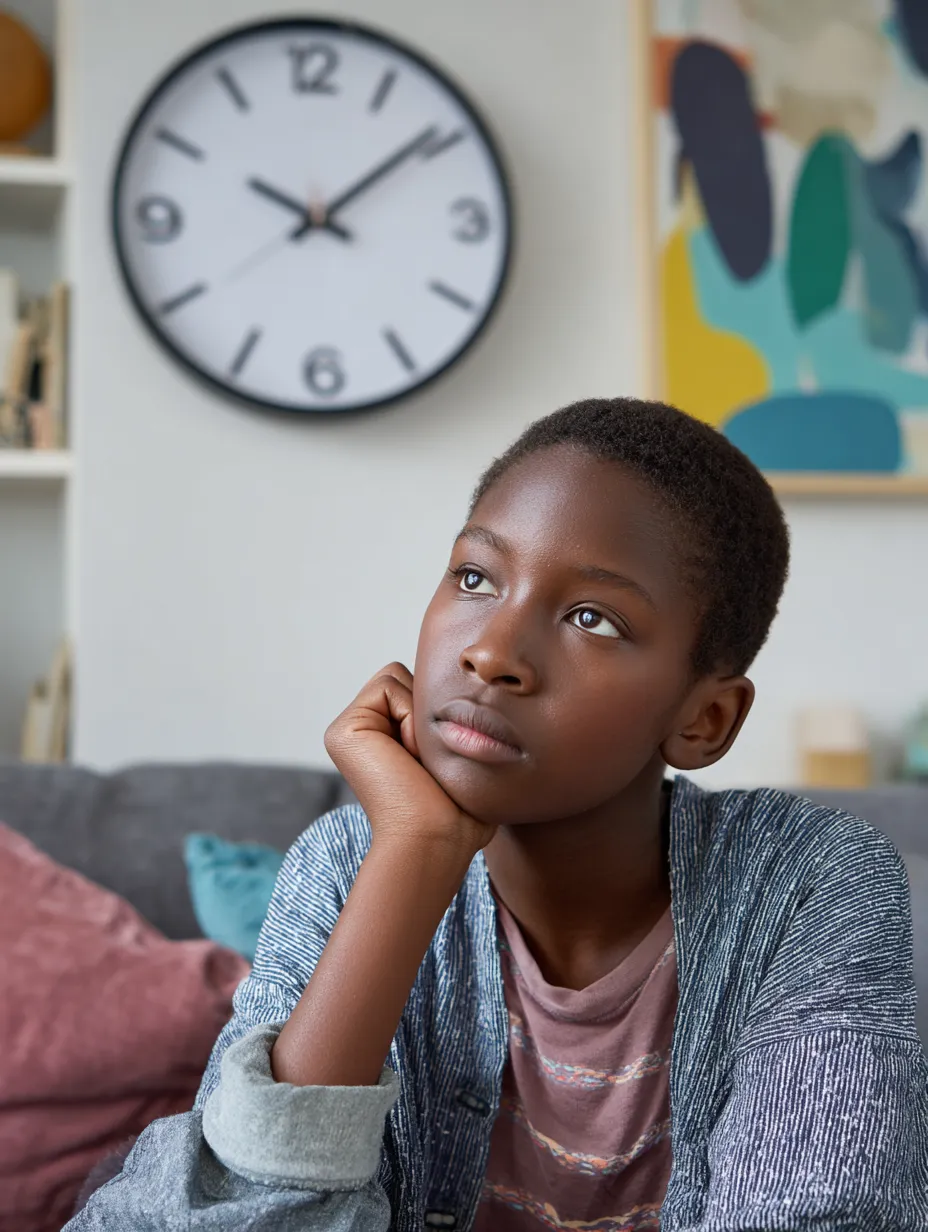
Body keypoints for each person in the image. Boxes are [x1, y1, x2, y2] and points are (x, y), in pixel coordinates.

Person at [67, 398, 928, 1231]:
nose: (490, 652)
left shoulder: (811, 881)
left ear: (702, 720)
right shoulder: (344, 863)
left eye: (592, 618)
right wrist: (411, 858)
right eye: (475, 577)